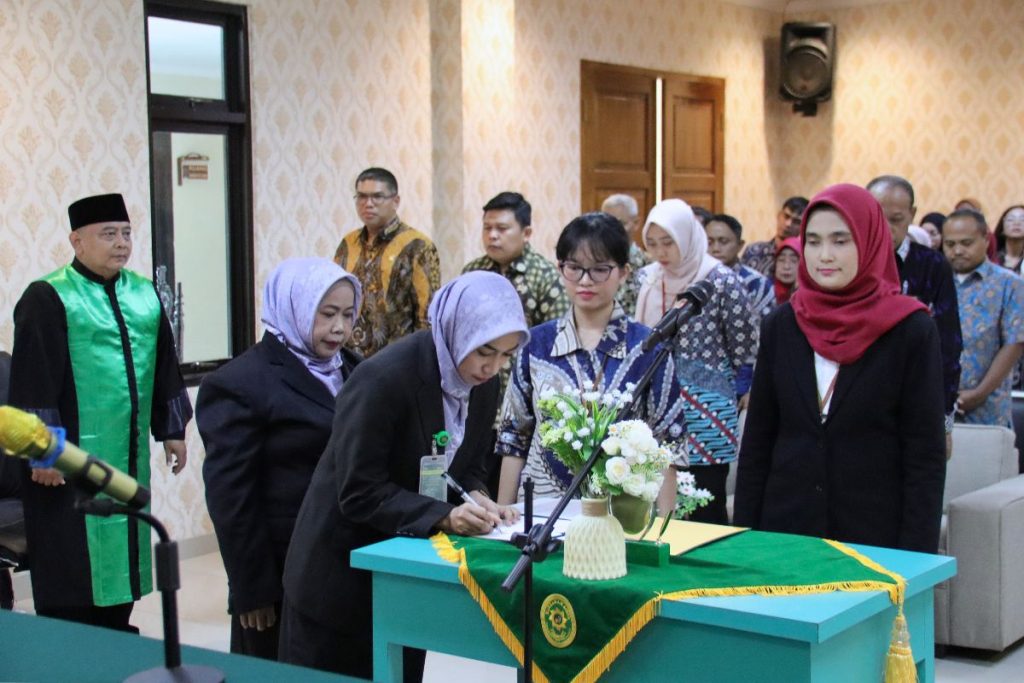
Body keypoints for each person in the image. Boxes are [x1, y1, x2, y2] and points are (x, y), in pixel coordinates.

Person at [279, 271, 529, 680]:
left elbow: (467, 466)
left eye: (507, 355)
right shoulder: (384, 378)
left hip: (404, 573)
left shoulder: (482, 384)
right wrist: (445, 516)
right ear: (456, 329)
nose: (493, 366)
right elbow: (358, 491)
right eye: (485, 351)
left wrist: (479, 497)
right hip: (339, 577)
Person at [9, 193, 191, 631]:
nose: (121, 243)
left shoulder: (143, 294)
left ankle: (116, 636)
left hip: (126, 458)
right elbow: (33, 379)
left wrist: (172, 429)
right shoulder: (49, 296)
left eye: (126, 233)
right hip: (65, 464)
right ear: (77, 241)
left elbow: (164, 364)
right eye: (108, 234)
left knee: (123, 556)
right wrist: (43, 452)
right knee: (71, 572)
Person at [734, 183, 947, 554]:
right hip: (786, 531)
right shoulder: (782, 325)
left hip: (874, 535)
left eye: (840, 241)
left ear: (869, 241)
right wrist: (744, 543)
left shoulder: (910, 330)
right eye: (813, 241)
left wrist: (916, 558)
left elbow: (924, 457)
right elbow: (758, 442)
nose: (824, 256)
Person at [196, 258, 362, 660]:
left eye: (348, 314)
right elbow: (232, 499)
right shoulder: (240, 383)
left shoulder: (356, 370)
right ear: (294, 307)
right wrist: (251, 589)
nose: (339, 328)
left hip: (348, 561)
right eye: (327, 314)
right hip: (283, 567)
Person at [495, 212, 688, 513]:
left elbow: (668, 445)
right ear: (560, 268)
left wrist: (665, 527)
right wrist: (503, 516)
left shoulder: (648, 348)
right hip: (540, 511)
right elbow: (514, 438)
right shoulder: (535, 344)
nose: (585, 280)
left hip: (622, 513)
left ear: (623, 272)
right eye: (574, 268)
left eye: (600, 269)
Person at [636, 199, 758, 523]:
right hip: (656, 405)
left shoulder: (720, 280)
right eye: (652, 243)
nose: (661, 252)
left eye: (668, 242)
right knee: (656, 503)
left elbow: (744, 344)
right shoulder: (646, 279)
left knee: (706, 505)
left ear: (687, 237)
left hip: (708, 410)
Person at [867, 176, 962, 451]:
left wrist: (944, 421)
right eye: (878, 217)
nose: (886, 227)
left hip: (917, 392)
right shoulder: (849, 261)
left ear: (912, 214)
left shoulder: (932, 265)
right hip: (860, 396)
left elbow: (948, 343)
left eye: (896, 219)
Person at [333, 167, 441, 357]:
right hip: (348, 358)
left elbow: (428, 316)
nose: (368, 204)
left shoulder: (417, 245)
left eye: (377, 196)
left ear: (395, 201)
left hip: (397, 360)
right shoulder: (348, 243)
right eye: (362, 197)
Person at [943, 209, 1024, 428]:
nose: (957, 250)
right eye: (950, 244)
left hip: (988, 409)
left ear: (986, 240)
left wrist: (979, 393)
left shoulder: (1009, 284)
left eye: (966, 243)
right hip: (935, 408)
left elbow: (1014, 343)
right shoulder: (937, 281)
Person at [462, 192, 568, 328]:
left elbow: (558, 332)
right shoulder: (472, 272)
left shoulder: (547, 276)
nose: (492, 235)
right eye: (487, 228)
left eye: (502, 228)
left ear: (526, 233)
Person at [705, 213, 774, 322]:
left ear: (740, 245)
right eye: (709, 242)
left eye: (723, 242)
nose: (716, 249)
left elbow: (766, 326)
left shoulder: (757, 283)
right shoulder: (694, 279)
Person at [600, 193, 649, 317]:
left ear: (636, 223)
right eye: (606, 223)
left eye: (620, 223)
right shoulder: (593, 264)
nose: (611, 230)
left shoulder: (648, 266)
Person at [740, 196, 809, 277]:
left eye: (796, 221)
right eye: (786, 216)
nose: (788, 224)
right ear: (779, 215)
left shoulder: (805, 259)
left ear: (804, 226)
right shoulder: (754, 251)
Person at [993, 204, 1024, 276]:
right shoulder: (991, 259)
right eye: (1010, 220)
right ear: (1002, 228)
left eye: (1023, 220)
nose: (1016, 223)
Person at [772, 237, 801, 305]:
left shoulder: (809, 296)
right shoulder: (765, 290)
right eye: (781, 260)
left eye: (793, 261)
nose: (786, 267)